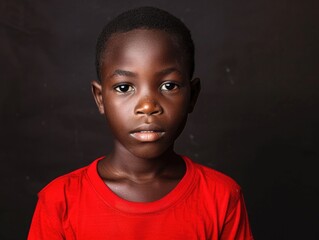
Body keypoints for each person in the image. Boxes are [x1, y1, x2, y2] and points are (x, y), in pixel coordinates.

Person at [28, 6, 253, 240]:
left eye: (169, 86)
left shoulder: (222, 197)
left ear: (192, 95)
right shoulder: (60, 201)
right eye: (124, 87)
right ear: (100, 98)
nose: (147, 106)